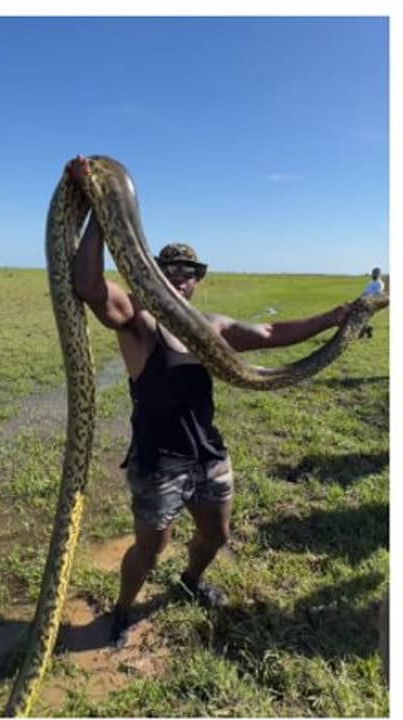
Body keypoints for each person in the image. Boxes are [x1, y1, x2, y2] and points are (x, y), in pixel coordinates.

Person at [65, 156, 350, 648]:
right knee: (151, 547)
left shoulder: (213, 327)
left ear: (197, 280)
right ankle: (123, 610)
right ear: (152, 270)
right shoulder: (138, 318)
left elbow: (269, 332)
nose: (179, 275)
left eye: (188, 271)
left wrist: (335, 317)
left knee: (215, 536)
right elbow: (88, 286)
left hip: (209, 454)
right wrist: (95, 202)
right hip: (159, 460)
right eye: (169, 268)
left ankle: (191, 582)